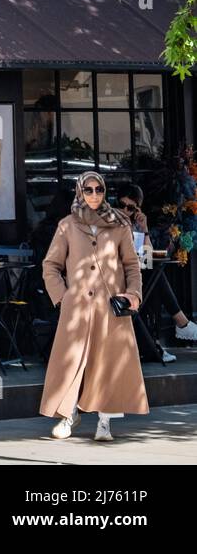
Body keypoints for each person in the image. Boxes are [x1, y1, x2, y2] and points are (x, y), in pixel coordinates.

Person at [41, 170, 148, 442]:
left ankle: (105, 423)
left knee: (108, 364)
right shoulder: (67, 225)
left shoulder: (120, 224)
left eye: (98, 190)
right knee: (72, 362)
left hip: (110, 307)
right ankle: (68, 415)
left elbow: (132, 266)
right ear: (80, 192)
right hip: (76, 309)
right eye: (88, 190)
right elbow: (50, 265)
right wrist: (63, 298)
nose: (93, 195)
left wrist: (132, 294)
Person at [115, 183, 197, 362]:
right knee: (153, 274)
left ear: (137, 209)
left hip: (134, 275)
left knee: (154, 271)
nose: (124, 211)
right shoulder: (111, 223)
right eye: (121, 205)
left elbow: (148, 255)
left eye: (130, 208)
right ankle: (179, 323)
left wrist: (143, 229)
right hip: (117, 279)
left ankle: (157, 341)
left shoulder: (135, 225)